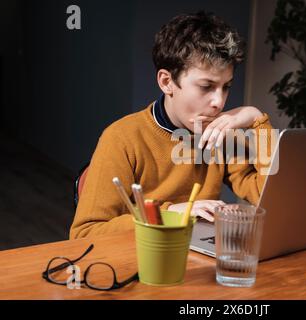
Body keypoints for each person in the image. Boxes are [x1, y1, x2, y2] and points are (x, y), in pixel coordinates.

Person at [70, 11, 274, 239]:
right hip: (144, 262)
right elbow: (85, 234)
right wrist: (170, 214)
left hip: (198, 258)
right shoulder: (121, 138)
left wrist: (256, 120)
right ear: (167, 82)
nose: (219, 102)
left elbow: (270, 198)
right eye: (207, 86)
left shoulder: (221, 136)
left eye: (226, 87)